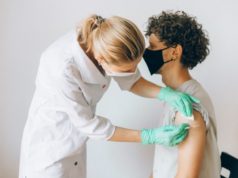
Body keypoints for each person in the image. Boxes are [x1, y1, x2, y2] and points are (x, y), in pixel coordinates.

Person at [19, 15, 198, 178]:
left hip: (75, 149)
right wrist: (149, 136)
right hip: (49, 155)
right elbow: (90, 126)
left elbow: (132, 81)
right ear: (102, 60)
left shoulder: (105, 39)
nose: (133, 72)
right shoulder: (62, 68)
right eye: (128, 69)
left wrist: (165, 94)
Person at [143, 11, 221, 178]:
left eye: (152, 46)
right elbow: (162, 163)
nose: (146, 52)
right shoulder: (174, 95)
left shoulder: (187, 107)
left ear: (174, 52)